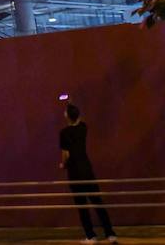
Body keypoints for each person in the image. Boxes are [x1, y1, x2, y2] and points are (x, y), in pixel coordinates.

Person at [59, 102, 118, 244]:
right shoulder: (83, 128)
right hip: (87, 169)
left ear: (67, 117)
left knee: (82, 206)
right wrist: (72, 106)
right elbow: (79, 119)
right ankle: (110, 234)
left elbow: (65, 154)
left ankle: (91, 236)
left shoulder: (64, 133)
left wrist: (63, 165)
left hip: (74, 172)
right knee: (98, 202)